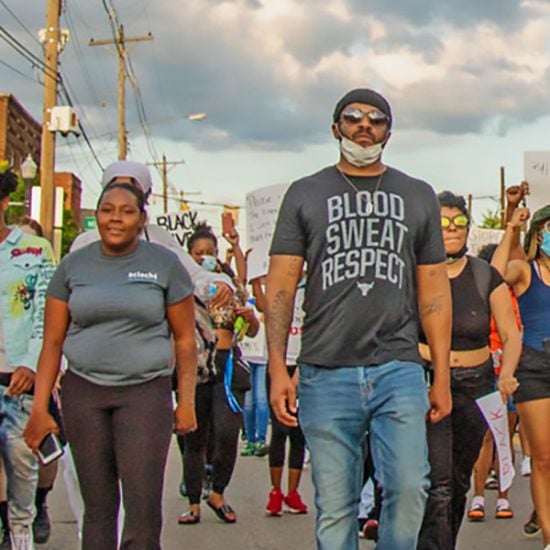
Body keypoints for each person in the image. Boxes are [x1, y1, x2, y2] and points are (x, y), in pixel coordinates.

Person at [266, 88, 453, 550]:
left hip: (399, 368)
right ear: (335, 128)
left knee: (411, 488)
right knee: (336, 506)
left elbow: (433, 290)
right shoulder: (305, 193)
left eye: (377, 119)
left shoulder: (417, 194)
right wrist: (276, 367)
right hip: (325, 370)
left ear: (389, 132)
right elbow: (282, 287)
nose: (364, 125)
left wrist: (442, 375)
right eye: (353, 117)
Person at [24, 182, 198, 549]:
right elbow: (52, 342)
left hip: (145, 393)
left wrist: (186, 402)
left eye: (126, 210)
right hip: (84, 393)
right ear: (97, 215)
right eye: (106, 209)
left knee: (143, 506)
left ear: (141, 219)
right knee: (99, 507)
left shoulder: (163, 265)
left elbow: (185, 339)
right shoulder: (73, 266)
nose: (115, 218)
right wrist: (40, 408)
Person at [416, 192, 521, 550]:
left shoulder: (483, 275)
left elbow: (510, 332)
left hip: (476, 386)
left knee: (458, 481)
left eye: (459, 222)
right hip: (429, 382)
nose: (452, 229)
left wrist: (506, 373)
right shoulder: (419, 271)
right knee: (438, 481)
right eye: (444, 223)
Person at [178, 223, 259, 525]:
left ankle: (218, 493)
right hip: (196, 366)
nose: (205, 258)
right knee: (194, 438)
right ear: (188, 255)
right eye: (198, 254)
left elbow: (250, 327)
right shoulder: (182, 285)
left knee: (227, 433)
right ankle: (194, 502)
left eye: (210, 253)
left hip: (227, 366)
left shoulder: (228, 284)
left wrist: (250, 319)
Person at [70, 160, 234, 307]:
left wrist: (217, 284)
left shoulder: (158, 238)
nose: (122, 199)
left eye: (131, 192)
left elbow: (191, 275)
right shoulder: (85, 243)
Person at [0, 166, 56, 549]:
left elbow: (48, 316)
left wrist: (32, 364)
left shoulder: (35, 250)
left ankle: (21, 537)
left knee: (22, 472)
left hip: (16, 383)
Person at [492, 197, 550, 550]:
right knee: (543, 458)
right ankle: (548, 535)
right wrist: (512, 225)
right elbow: (494, 274)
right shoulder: (525, 270)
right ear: (538, 235)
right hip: (535, 364)